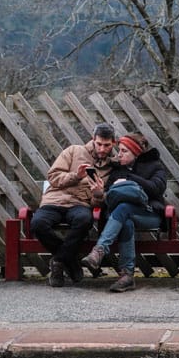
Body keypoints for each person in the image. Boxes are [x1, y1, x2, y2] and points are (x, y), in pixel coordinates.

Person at [31, 122, 116, 287]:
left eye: (107, 145)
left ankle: (58, 262)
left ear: (114, 143)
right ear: (93, 139)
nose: (102, 149)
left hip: (80, 203)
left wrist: (98, 194)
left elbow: (97, 202)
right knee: (38, 224)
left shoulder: (112, 166)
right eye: (99, 144)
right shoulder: (74, 151)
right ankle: (70, 261)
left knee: (85, 220)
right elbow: (53, 177)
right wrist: (75, 176)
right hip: (54, 200)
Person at [81, 132, 167, 292]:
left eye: (124, 151)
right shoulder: (116, 171)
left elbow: (157, 189)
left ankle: (99, 251)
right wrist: (99, 193)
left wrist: (129, 179)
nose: (119, 154)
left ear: (136, 152)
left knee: (124, 209)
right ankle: (127, 276)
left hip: (149, 214)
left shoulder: (155, 166)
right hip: (122, 216)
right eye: (119, 150)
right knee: (125, 216)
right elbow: (108, 197)